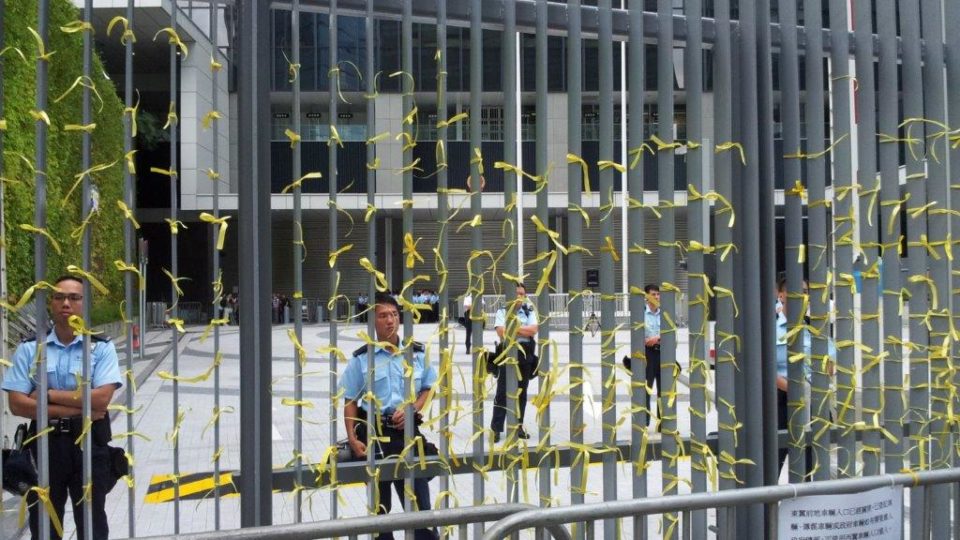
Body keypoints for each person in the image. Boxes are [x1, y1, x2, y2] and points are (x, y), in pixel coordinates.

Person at [3, 275, 123, 539]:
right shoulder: (30, 348)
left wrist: (46, 394)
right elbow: (17, 404)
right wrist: (78, 407)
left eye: (74, 298)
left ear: (84, 303)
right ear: (51, 303)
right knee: (44, 524)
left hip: (90, 443)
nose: (66, 303)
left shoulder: (100, 348)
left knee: (92, 524)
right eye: (59, 297)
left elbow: (102, 400)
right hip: (45, 444)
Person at [340, 293, 439, 540]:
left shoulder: (415, 353)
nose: (390, 320)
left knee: (420, 510)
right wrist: (352, 438)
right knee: (380, 515)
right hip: (374, 438)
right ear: (373, 320)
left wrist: (413, 408)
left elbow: (428, 386)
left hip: (407, 436)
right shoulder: (362, 359)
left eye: (394, 314)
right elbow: (350, 400)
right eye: (383, 315)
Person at [490, 283, 538, 442]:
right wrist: (520, 329)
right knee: (502, 392)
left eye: (522, 294)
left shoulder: (529, 310)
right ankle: (496, 429)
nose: (520, 296)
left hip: (525, 354)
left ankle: (518, 426)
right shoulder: (502, 310)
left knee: (521, 392)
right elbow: (501, 333)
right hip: (508, 352)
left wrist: (513, 328)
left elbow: (533, 330)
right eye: (517, 293)